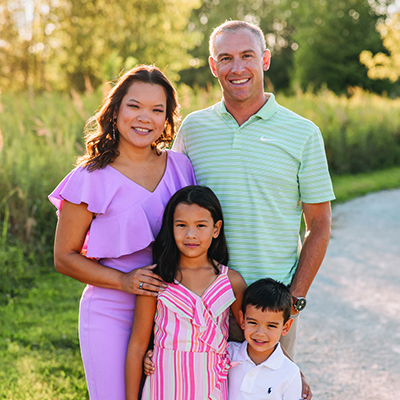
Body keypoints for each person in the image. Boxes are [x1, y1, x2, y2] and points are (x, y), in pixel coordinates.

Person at [173, 20, 335, 361]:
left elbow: (319, 226)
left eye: (247, 55)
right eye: (226, 58)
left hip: (269, 310)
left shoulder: (303, 133)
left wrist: (295, 299)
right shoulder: (194, 129)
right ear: (213, 65)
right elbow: (175, 210)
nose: (237, 68)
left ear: (265, 59)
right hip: (203, 301)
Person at [49, 65, 196, 400]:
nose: (145, 117)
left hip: (172, 310)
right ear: (115, 112)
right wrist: (125, 281)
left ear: (166, 120)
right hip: (109, 312)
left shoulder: (181, 167)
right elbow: (64, 257)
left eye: (157, 110)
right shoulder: (90, 177)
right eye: (134, 106)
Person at [125, 185, 247, 400]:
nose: (191, 234)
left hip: (211, 383)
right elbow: (137, 345)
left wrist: (289, 371)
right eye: (181, 225)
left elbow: (254, 333)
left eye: (201, 225)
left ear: (216, 228)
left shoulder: (231, 280)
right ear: (171, 227)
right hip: (164, 384)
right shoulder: (155, 279)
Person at [227, 278, 302, 400]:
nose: (260, 333)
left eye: (271, 326)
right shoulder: (228, 354)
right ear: (242, 320)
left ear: (286, 327)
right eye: (253, 322)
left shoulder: (290, 373)